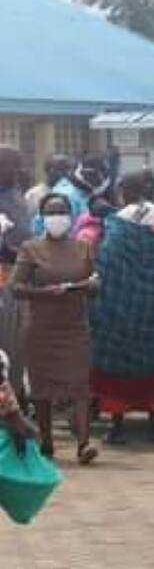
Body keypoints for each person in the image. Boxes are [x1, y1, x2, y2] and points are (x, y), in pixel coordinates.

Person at [10, 193, 100, 464]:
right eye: (51, 212)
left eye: (61, 212)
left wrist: (90, 286)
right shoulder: (30, 249)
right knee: (42, 389)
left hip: (73, 327)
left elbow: (94, 283)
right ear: (43, 217)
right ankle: (47, 441)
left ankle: (83, 443)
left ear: (70, 216)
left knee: (80, 386)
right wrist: (44, 292)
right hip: (41, 329)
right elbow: (16, 287)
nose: (56, 217)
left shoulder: (82, 248)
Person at [88, 170, 154, 444]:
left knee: (118, 368)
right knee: (151, 363)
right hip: (152, 306)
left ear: (125, 192)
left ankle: (117, 426)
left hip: (120, 308)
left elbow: (108, 264)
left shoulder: (118, 226)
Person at [0, 147, 32, 411]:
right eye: (11, 166)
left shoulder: (17, 196)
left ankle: (15, 398)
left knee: (16, 348)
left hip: (17, 282)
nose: (16, 171)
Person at [23, 155, 73, 220]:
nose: (65, 173)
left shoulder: (73, 194)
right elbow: (28, 219)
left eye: (67, 169)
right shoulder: (34, 194)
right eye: (60, 169)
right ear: (48, 170)